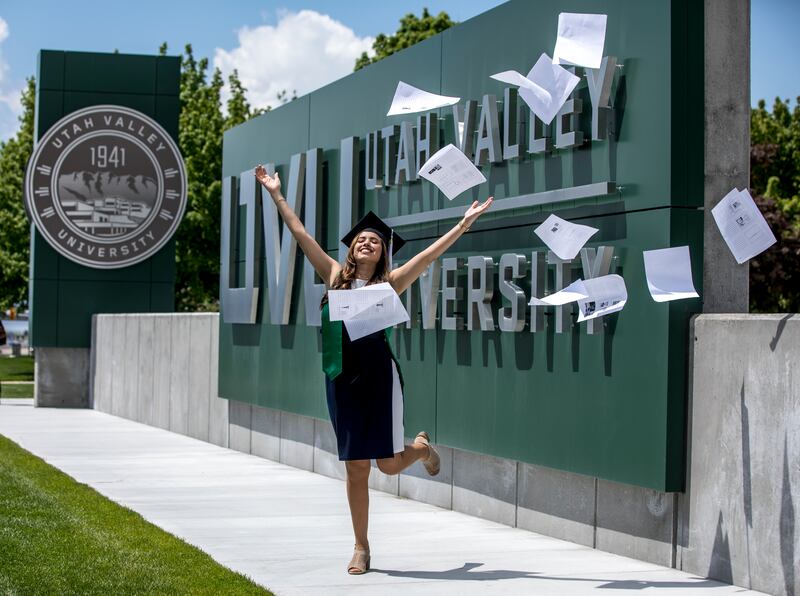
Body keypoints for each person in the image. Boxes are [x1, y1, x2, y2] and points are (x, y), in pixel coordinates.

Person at [255, 164, 493, 574]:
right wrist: (276, 193)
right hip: (341, 380)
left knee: (385, 463)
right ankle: (361, 548)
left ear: (383, 253)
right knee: (356, 467)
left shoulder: (391, 284)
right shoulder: (333, 277)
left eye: (375, 241)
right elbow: (300, 235)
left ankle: (419, 449)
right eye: (361, 239)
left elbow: (428, 255)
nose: (367, 243)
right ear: (351, 250)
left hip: (380, 381)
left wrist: (463, 225)